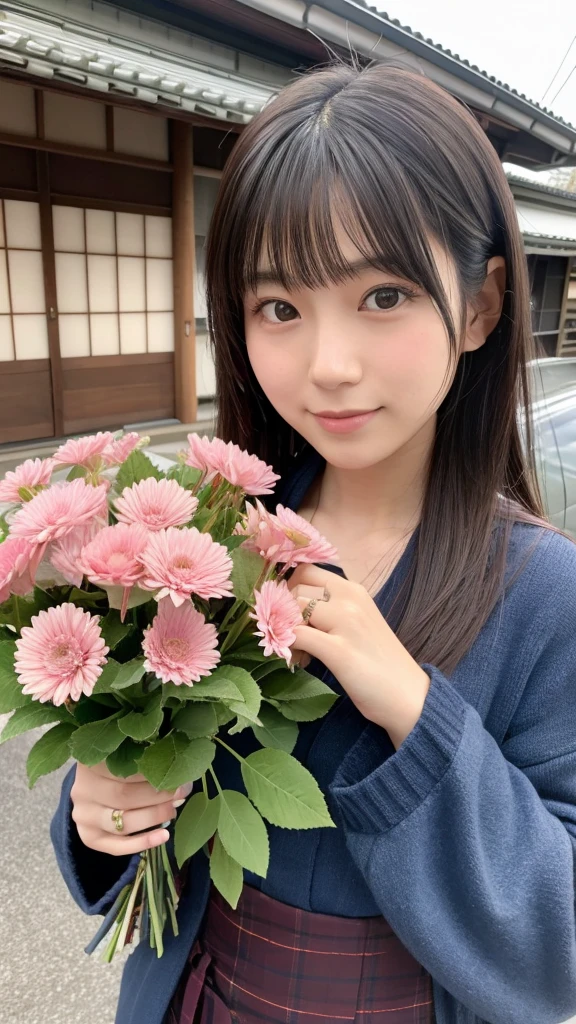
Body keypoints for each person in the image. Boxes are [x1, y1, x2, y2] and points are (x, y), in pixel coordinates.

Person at [51, 62, 576, 1024]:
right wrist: (104, 811)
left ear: (483, 306)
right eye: (280, 309)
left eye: (383, 296)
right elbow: (141, 807)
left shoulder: (549, 592)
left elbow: (561, 941)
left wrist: (418, 713)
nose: (329, 366)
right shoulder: (211, 542)